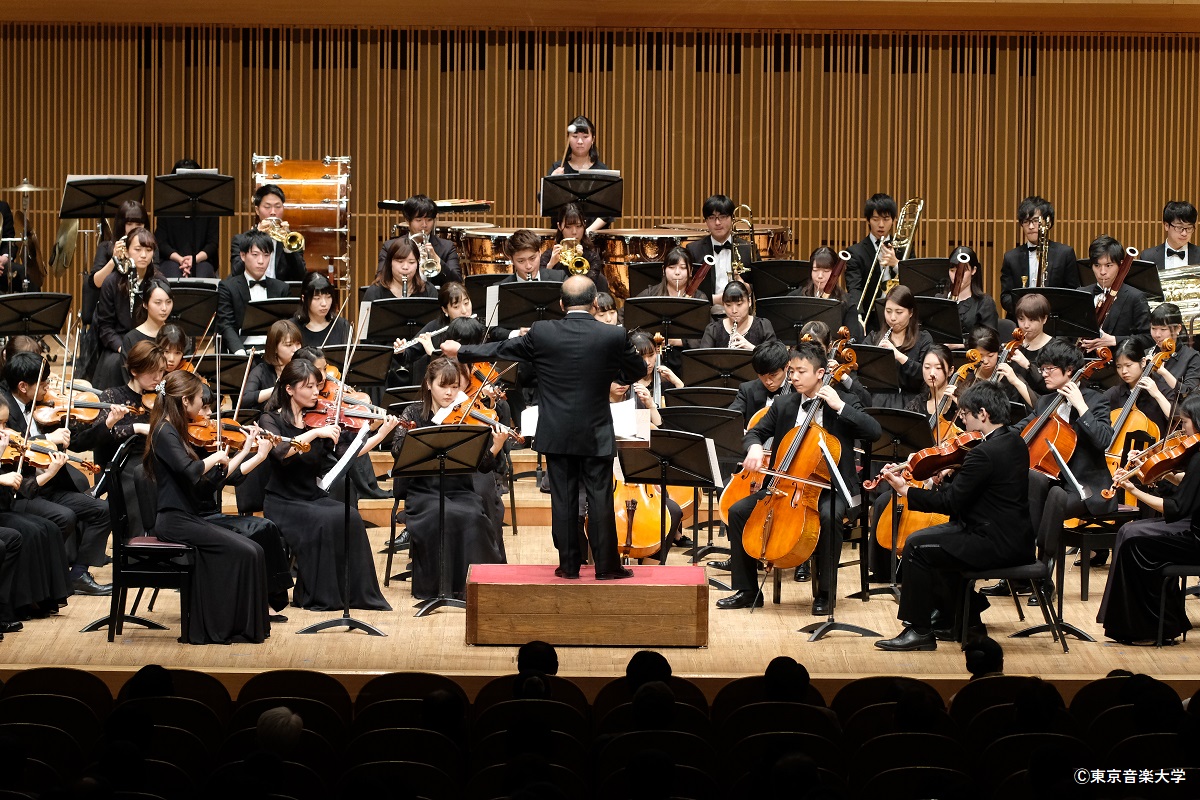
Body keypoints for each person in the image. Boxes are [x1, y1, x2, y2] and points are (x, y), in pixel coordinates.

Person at [441, 276, 645, 580]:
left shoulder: (543, 332)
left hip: (556, 431)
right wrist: (611, 374)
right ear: (594, 303)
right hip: (596, 431)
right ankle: (607, 568)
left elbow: (501, 349)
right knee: (600, 498)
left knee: (563, 500)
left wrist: (461, 352)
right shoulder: (613, 335)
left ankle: (569, 566)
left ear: (561, 304)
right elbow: (637, 369)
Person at [718, 341, 882, 612]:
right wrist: (755, 446)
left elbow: (874, 432)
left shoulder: (844, 400)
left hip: (831, 487)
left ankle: (825, 594)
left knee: (829, 517)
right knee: (737, 511)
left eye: (800, 371)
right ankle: (747, 590)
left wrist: (840, 406)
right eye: (791, 371)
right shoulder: (784, 404)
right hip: (786, 484)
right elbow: (754, 432)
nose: (793, 377)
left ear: (820, 374)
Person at [875, 382, 1034, 651]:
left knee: (917, 546)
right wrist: (953, 469)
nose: (961, 420)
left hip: (993, 541)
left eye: (965, 413)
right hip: (1013, 536)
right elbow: (979, 488)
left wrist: (905, 490)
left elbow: (951, 502)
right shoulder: (1014, 441)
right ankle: (961, 620)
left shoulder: (983, 454)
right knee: (934, 538)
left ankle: (919, 630)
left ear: (983, 414)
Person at [143, 370, 270, 644]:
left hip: (187, 517)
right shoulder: (164, 431)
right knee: (246, 552)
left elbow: (204, 486)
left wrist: (243, 451)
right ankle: (222, 626)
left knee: (254, 550)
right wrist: (216, 457)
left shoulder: (176, 431)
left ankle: (236, 625)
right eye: (201, 400)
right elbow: (190, 470)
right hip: (173, 521)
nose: (204, 406)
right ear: (185, 401)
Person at [259, 358, 397, 610]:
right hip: (283, 501)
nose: (316, 392)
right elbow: (280, 452)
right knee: (324, 520)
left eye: (317, 386)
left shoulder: (320, 418)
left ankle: (355, 595)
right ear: (289, 389)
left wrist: (380, 434)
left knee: (350, 516)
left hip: (312, 497)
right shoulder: (270, 420)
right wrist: (314, 434)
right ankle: (319, 596)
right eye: (309, 387)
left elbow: (350, 453)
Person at [392, 358, 508, 599]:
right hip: (424, 492)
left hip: (459, 490)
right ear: (428, 384)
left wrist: (496, 446)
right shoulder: (414, 412)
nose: (449, 393)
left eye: (454, 387)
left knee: (475, 517)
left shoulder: (466, 414)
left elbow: (483, 465)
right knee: (443, 515)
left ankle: (474, 588)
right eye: (443, 386)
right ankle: (438, 588)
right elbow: (397, 450)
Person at [1007, 338, 1116, 589]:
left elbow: (1103, 440)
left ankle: (1042, 577)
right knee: (1022, 494)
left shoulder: (1095, 400)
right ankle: (1018, 571)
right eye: (1042, 368)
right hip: (1051, 481)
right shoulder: (1046, 401)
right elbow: (1022, 429)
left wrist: (1081, 407)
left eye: (1049, 369)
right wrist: (992, 435)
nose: (1043, 374)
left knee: (1050, 504)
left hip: (1086, 487)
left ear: (1069, 371)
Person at [1, 352, 113, 596]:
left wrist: (105, 424)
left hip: (51, 484)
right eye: (43, 384)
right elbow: (14, 444)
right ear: (23, 387)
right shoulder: (5, 409)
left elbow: (79, 442)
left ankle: (78, 573)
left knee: (103, 510)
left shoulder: (45, 406)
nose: (48, 388)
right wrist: (46, 438)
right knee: (65, 517)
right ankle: (46, 574)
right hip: (25, 489)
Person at [1097, 395, 1200, 644]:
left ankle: (1153, 626)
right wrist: (1162, 472)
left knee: (1135, 541)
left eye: (1185, 422)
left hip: (1196, 538)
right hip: (1194, 527)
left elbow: (1175, 508)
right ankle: (1138, 622)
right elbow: (1189, 485)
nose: (1181, 429)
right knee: (1129, 531)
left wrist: (1134, 490)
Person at [93, 227, 161, 389]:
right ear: (127, 251)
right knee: (115, 364)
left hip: (150, 342)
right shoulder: (111, 282)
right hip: (119, 343)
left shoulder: (158, 282)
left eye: (148, 250)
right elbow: (105, 327)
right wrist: (123, 347)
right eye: (137, 249)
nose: (143, 255)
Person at [998, 195, 1080, 317]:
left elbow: (1073, 293)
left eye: (1036, 221)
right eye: (1026, 222)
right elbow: (1005, 297)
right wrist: (1026, 311)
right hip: (1020, 321)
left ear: (1048, 222)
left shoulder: (1065, 254)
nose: (1031, 226)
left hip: (1053, 320)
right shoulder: (1011, 257)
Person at [216, 231, 291, 355]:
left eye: (266, 255)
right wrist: (239, 352)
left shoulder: (281, 288)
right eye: (255, 255)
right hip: (242, 349)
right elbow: (226, 324)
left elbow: (287, 326)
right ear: (243, 255)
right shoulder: (228, 287)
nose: (261, 261)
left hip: (273, 352)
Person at [85, 200, 156, 326]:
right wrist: (114, 260)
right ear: (121, 225)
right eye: (129, 223)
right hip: (112, 312)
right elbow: (96, 283)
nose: (134, 228)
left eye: (139, 224)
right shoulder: (106, 247)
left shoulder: (150, 248)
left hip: (142, 311)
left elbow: (155, 278)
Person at [1079, 235, 1152, 355]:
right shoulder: (1081, 294)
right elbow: (1066, 335)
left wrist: (1114, 340)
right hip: (1082, 362)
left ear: (1121, 265)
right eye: (1097, 265)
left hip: (1118, 363)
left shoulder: (1135, 297)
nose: (1102, 272)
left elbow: (1148, 338)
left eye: (1108, 265)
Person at [869, 285, 934, 410]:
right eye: (888, 311)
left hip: (913, 404)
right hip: (879, 402)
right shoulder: (873, 338)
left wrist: (898, 356)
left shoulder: (924, 340)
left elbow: (927, 374)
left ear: (911, 313)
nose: (892, 318)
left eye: (899, 312)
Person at [684, 194, 757, 305]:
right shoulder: (693, 250)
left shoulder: (748, 249)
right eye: (712, 217)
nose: (717, 222)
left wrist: (746, 287)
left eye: (722, 217)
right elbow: (687, 288)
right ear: (706, 221)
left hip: (740, 310)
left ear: (732, 218)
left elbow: (760, 285)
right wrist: (712, 300)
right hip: (707, 310)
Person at [546, 115, 613, 233]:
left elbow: (608, 213)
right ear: (568, 138)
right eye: (575, 136)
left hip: (593, 235)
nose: (580, 141)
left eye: (585, 137)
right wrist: (552, 182)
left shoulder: (602, 170)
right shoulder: (557, 169)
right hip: (563, 235)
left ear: (593, 139)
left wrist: (587, 232)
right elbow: (546, 204)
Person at [375, 194, 461, 286]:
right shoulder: (390, 246)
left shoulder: (447, 247)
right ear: (407, 220)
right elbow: (380, 280)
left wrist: (437, 260)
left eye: (429, 220)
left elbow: (457, 283)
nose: (424, 225)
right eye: (419, 220)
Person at [155, 158, 220, 278]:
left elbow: (212, 243)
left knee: (202, 275)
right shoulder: (166, 208)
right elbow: (161, 242)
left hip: (202, 260)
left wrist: (194, 259)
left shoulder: (209, 208)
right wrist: (180, 259)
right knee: (171, 275)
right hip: (171, 260)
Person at [229, 184, 307, 281]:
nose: (273, 212)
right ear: (257, 210)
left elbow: (301, 276)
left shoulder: (292, 239)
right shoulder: (240, 240)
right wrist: (255, 238)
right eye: (267, 207)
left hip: (281, 289)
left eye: (278, 206)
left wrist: (288, 248)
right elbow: (236, 273)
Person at [788, 245, 863, 341]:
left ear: (835, 272)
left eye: (826, 271)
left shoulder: (847, 303)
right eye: (815, 270)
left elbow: (852, 338)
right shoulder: (795, 297)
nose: (820, 276)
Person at [1105, 338, 1171, 445]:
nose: (1124, 371)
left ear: (1143, 362)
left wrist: (1157, 395)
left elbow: (1178, 420)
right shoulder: (1114, 393)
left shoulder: (1161, 389)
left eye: (1128, 365)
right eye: (1119, 367)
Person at [844, 193, 899, 319]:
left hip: (900, 314)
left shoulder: (904, 248)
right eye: (875, 219)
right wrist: (858, 316)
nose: (881, 224)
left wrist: (896, 264)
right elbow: (854, 288)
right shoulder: (855, 252)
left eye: (886, 219)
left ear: (893, 220)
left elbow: (914, 282)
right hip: (870, 317)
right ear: (868, 220)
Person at [539, 202, 608, 293]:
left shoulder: (592, 257)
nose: (574, 232)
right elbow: (542, 289)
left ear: (584, 225)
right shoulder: (548, 256)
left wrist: (580, 259)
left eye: (578, 226)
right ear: (559, 226)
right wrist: (551, 265)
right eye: (568, 227)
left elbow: (587, 289)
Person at [728, 341, 792, 429]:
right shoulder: (747, 390)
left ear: (787, 366)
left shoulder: (799, 390)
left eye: (773, 375)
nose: (768, 382)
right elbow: (729, 420)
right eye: (762, 375)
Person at [1145, 302, 1200, 400]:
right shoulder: (1147, 354)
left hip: (1176, 409)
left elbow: (1190, 395)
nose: (1157, 334)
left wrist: (1164, 373)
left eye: (1163, 329)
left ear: (1178, 328)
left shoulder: (1192, 357)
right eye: (1153, 328)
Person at [698, 281, 775, 350]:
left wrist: (753, 349)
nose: (734, 311)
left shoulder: (763, 326)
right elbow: (703, 359)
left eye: (739, 304)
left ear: (749, 302)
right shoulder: (713, 330)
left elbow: (774, 357)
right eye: (728, 305)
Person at [1007, 293, 1054, 405]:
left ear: (1044, 319)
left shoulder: (1054, 348)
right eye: (1021, 319)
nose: (1026, 325)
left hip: (1042, 406)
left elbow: (1050, 387)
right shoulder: (1015, 346)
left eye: (1032, 320)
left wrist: (1028, 366)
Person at [946, 245, 998, 346]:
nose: (957, 276)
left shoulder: (984, 303)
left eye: (963, 271)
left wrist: (959, 345)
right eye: (952, 271)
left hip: (972, 354)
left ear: (973, 270)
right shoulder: (940, 299)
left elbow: (990, 340)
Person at [364, 237, 438, 300]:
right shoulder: (374, 292)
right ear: (390, 263)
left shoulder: (429, 290)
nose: (405, 267)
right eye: (400, 261)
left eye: (411, 262)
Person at [121, 278, 174, 358]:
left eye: (168, 302)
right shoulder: (131, 338)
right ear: (145, 304)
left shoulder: (175, 334)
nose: (164, 308)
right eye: (158, 303)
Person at [294, 272, 350, 349]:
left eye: (328, 297)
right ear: (304, 298)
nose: (324, 303)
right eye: (317, 298)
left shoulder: (342, 326)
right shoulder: (292, 327)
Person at [1139, 200, 1200, 270]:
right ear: (1166, 226)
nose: (1184, 233)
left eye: (1189, 228)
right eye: (1179, 227)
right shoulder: (1148, 257)